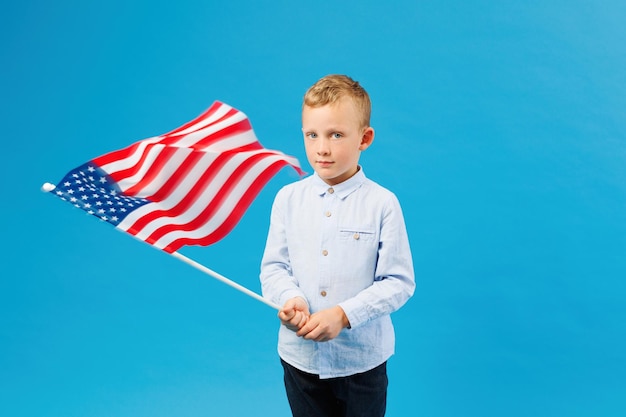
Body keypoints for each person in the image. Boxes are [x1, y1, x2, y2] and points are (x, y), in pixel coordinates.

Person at [260, 74, 415, 417]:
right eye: (312, 135)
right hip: (299, 360)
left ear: (365, 137)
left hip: (361, 362)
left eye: (336, 135)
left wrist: (343, 316)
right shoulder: (288, 199)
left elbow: (399, 282)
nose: (322, 148)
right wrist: (291, 299)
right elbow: (274, 268)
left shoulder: (382, 203)